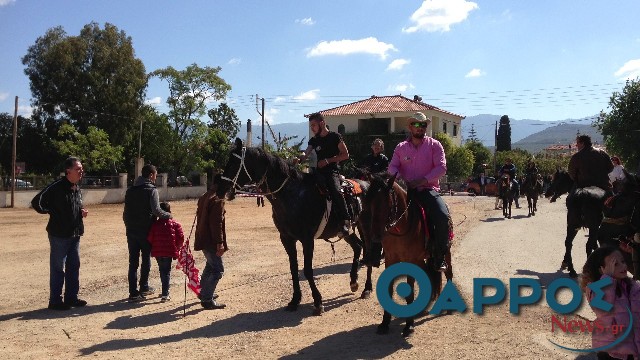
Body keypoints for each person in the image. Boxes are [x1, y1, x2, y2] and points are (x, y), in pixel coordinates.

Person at [386, 112, 451, 272]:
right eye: (416, 124)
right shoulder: (401, 148)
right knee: (379, 213)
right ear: (410, 127)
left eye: (423, 125)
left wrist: (422, 180)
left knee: (442, 216)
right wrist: (401, 178)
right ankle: (376, 251)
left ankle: (439, 255)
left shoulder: (435, 145)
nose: (420, 128)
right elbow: (392, 167)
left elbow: (441, 168)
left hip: (427, 190)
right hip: (405, 191)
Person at [31, 157, 89, 310]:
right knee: (58, 268)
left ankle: (71, 298)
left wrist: (81, 211)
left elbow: (77, 204)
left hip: (75, 234)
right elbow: (37, 202)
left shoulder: (76, 187)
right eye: (78, 169)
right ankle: (55, 301)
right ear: (68, 171)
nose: (81, 171)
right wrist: (52, 213)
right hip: (59, 235)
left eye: (81, 169)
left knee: (73, 266)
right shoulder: (56, 187)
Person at [295, 112, 351, 237]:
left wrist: (328, 161)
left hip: (332, 172)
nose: (312, 128)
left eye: (314, 125)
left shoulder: (335, 137)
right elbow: (306, 152)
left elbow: (345, 154)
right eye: (311, 126)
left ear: (322, 123)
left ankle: (345, 221)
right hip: (317, 172)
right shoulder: (314, 140)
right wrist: (299, 158)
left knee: (336, 191)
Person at [123, 164, 172, 303]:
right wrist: (168, 216)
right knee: (145, 259)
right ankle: (143, 286)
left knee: (133, 261)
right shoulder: (151, 190)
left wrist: (129, 225)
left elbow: (125, 213)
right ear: (151, 175)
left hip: (131, 230)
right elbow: (156, 210)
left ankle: (133, 292)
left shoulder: (130, 190)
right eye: (155, 175)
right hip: (145, 229)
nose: (156, 177)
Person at [581, 246, 640, 359]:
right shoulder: (595, 289)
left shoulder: (632, 287)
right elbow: (602, 310)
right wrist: (607, 279)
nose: (623, 266)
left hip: (634, 349)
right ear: (601, 269)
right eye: (615, 264)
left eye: (622, 261)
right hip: (610, 350)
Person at [195, 174, 228, 309]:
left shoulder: (205, 196)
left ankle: (203, 292)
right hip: (210, 240)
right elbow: (216, 224)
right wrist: (219, 243)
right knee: (217, 270)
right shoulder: (217, 199)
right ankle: (207, 299)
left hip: (202, 237)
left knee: (210, 266)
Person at [146, 202, 184, 302]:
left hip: (158, 252)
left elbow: (150, 238)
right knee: (166, 272)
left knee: (162, 271)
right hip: (169, 252)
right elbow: (180, 238)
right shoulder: (175, 224)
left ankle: (165, 291)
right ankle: (165, 294)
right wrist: (177, 248)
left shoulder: (155, 225)